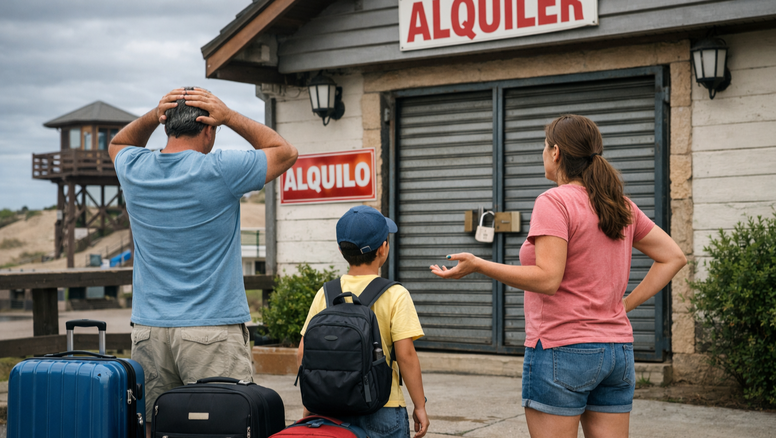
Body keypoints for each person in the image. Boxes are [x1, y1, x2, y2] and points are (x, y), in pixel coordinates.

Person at [430, 114, 686, 438]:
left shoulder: (554, 200)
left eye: (544, 145)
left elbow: (548, 279)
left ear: (556, 153)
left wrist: (480, 265)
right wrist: (623, 306)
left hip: (561, 349)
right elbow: (673, 257)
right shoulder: (619, 204)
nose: (542, 153)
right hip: (617, 350)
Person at [109, 87, 298, 436]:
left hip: (150, 330)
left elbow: (117, 144)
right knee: (224, 424)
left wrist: (154, 114)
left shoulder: (135, 168)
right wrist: (231, 116)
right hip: (212, 327)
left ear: (167, 126)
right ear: (208, 129)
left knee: (155, 425)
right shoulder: (221, 168)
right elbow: (285, 152)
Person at [297, 205, 430, 438]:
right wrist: (420, 405)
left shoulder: (326, 293)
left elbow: (303, 352)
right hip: (382, 408)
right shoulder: (395, 294)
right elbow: (406, 355)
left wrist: (311, 405)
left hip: (331, 409)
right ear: (383, 249)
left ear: (341, 250)